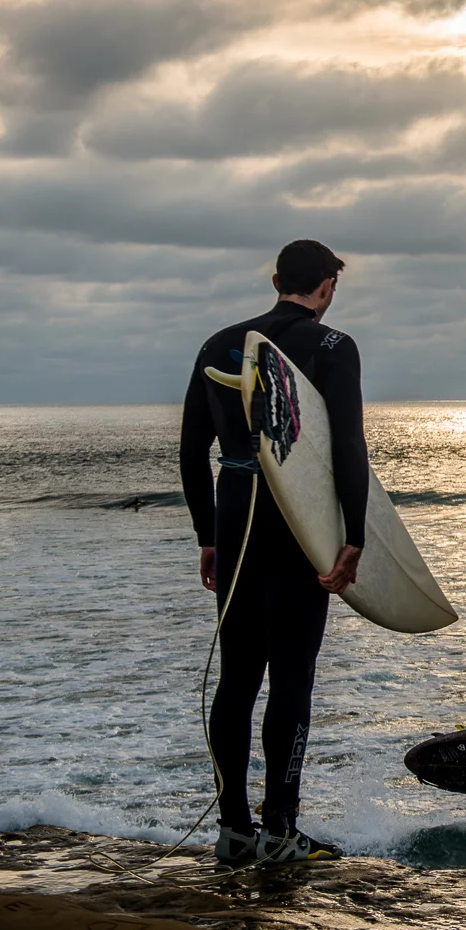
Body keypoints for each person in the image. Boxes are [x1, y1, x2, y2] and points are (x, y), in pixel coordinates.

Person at [178, 239, 365, 865]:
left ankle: (233, 829)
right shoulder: (334, 347)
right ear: (327, 287)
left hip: (236, 515)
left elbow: (188, 452)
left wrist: (209, 534)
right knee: (292, 677)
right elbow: (347, 450)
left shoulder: (217, 344)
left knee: (236, 677)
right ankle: (281, 827)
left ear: (278, 278)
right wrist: (354, 536)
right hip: (298, 522)